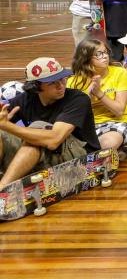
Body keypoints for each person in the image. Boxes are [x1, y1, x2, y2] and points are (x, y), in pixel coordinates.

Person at [0, 57, 100, 187]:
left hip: (80, 159)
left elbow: (54, 140)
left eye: (62, 78)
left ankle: (3, 188)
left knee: (38, 128)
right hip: (43, 158)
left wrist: (7, 126)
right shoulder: (25, 99)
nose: (61, 85)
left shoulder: (78, 99)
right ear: (35, 87)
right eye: (52, 83)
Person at [66, 39, 127, 150]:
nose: (105, 56)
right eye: (98, 54)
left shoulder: (119, 72)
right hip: (86, 126)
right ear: (86, 58)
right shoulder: (73, 81)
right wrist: (87, 96)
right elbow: (72, 113)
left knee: (108, 143)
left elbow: (119, 111)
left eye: (106, 52)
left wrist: (98, 93)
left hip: (116, 123)